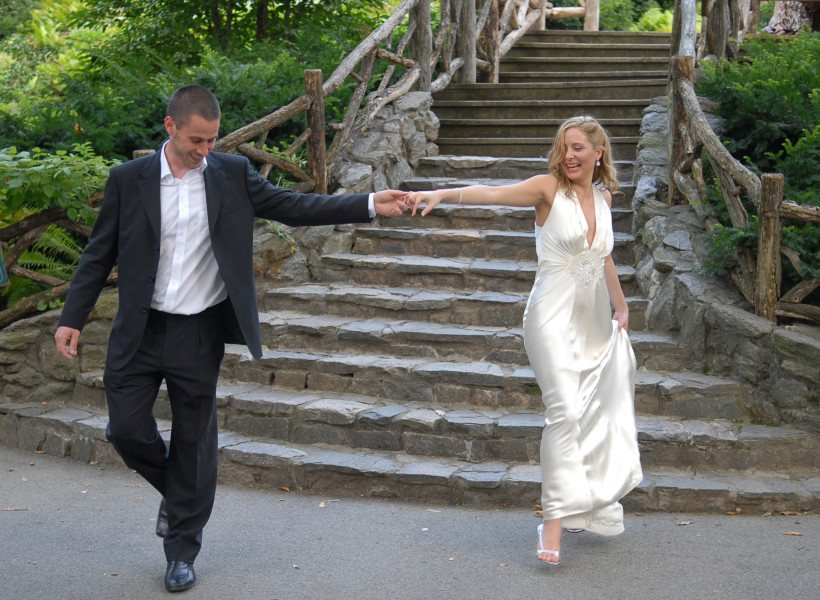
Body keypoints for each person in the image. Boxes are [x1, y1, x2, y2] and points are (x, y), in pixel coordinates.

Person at [54, 84, 410, 592]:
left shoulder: (231, 174)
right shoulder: (128, 180)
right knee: (125, 431)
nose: (204, 151)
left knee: (195, 441)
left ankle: (181, 548)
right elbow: (98, 253)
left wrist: (371, 203)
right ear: (170, 127)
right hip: (138, 328)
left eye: (212, 141)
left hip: (199, 329)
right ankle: (183, 498)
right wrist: (72, 316)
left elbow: (295, 207)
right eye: (196, 141)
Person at [409, 115, 642, 566]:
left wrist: (621, 305)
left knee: (595, 409)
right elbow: (493, 194)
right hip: (550, 315)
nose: (569, 155)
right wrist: (441, 193)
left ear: (599, 153)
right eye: (564, 147)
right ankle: (553, 520)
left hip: (594, 318)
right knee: (565, 410)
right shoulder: (547, 189)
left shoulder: (604, 196)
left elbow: (603, 255)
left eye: (578, 147)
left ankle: (583, 504)